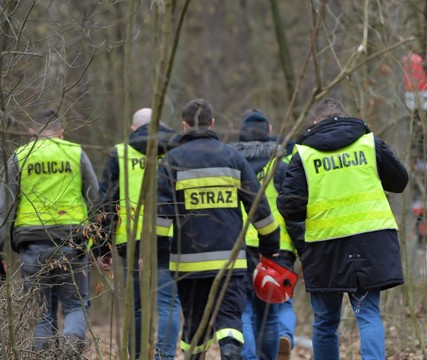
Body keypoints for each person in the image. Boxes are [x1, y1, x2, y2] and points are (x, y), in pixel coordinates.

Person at [277, 98, 408, 359]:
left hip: (326, 246)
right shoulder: (369, 143)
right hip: (371, 242)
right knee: (368, 314)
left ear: (315, 122)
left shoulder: (304, 154)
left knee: (325, 321)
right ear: (346, 116)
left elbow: (290, 207)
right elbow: (400, 181)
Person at [156, 99, 280, 360]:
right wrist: (270, 247)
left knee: (194, 324)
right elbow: (258, 206)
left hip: (187, 264)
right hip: (229, 261)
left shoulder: (172, 160)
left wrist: (158, 254)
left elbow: (161, 216)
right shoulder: (232, 157)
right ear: (212, 123)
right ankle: (231, 352)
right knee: (229, 318)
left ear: (184, 125)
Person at [0, 109, 99, 355]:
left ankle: (43, 354)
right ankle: (70, 346)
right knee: (75, 305)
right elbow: (95, 196)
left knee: (41, 311)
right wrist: (97, 243)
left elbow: (5, 204)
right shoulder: (75, 152)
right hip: (72, 243)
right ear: (61, 132)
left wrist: (0, 246)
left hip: (32, 244)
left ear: (32, 132)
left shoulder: (20, 155)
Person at [94, 107, 182, 359]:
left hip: (131, 240)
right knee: (168, 303)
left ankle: (136, 355)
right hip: (170, 236)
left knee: (137, 305)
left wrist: (102, 247)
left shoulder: (120, 153)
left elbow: (106, 202)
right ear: (161, 126)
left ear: (133, 129)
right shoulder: (175, 151)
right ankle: (165, 356)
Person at [229, 110, 304, 360]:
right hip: (277, 246)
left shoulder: (232, 165)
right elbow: (292, 211)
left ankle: (249, 358)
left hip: (240, 247)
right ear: (270, 131)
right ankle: (281, 342)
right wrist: (302, 248)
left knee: (245, 310)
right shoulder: (280, 164)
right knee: (274, 309)